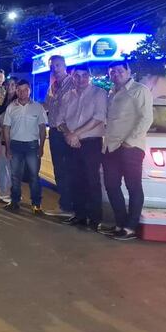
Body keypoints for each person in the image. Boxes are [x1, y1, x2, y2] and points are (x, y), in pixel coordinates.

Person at [99, 61, 153, 241]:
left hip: (130, 147)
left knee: (133, 186)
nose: (116, 74)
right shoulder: (112, 92)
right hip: (110, 146)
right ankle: (120, 223)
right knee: (111, 186)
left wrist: (130, 141)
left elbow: (146, 118)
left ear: (129, 71)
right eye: (112, 72)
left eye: (119, 71)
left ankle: (130, 227)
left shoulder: (139, 90)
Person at [55, 64, 107, 230]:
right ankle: (80, 215)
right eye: (77, 76)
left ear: (89, 76)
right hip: (71, 143)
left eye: (85, 75)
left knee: (91, 180)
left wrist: (75, 134)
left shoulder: (99, 93)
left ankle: (95, 219)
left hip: (91, 143)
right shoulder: (67, 96)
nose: (81, 79)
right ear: (72, 77)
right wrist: (69, 135)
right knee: (74, 179)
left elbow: (99, 117)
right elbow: (59, 121)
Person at [2, 80, 47, 215]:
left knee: (34, 176)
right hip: (15, 145)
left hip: (32, 146)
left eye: (25, 90)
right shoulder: (11, 107)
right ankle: (15, 201)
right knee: (15, 175)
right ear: (16, 91)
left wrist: (41, 146)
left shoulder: (37, 107)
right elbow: (6, 128)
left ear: (29, 90)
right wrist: (8, 148)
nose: (22, 93)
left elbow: (42, 128)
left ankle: (36, 204)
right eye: (19, 90)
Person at [43, 55, 75, 215]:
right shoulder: (53, 86)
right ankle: (65, 205)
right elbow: (46, 106)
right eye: (52, 66)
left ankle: (71, 206)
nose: (55, 69)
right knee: (59, 170)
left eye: (57, 65)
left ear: (64, 66)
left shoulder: (73, 83)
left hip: (68, 132)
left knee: (69, 170)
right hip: (55, 131)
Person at [0, 78, 18, 203]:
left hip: (12, 138)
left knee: (11, 167)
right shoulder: (2, 100)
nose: (10, 87)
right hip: (1, 138)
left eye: (13, 84)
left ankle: (15, 194)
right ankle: (2, 192)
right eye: (8, 84)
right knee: (1, 165)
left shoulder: (18, 101)